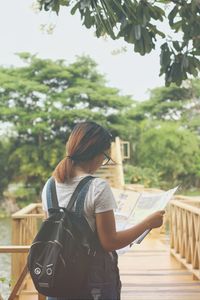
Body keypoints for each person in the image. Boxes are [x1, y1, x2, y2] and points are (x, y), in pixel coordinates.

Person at [41, 121, 165, 300]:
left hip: (57, 278)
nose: (103, 161)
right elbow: (110, 242)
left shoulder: (49, 185)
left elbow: (53, 232)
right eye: (104, 155)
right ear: (95, 153)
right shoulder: (97, 187)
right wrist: (148, 223)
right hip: (93, 284)